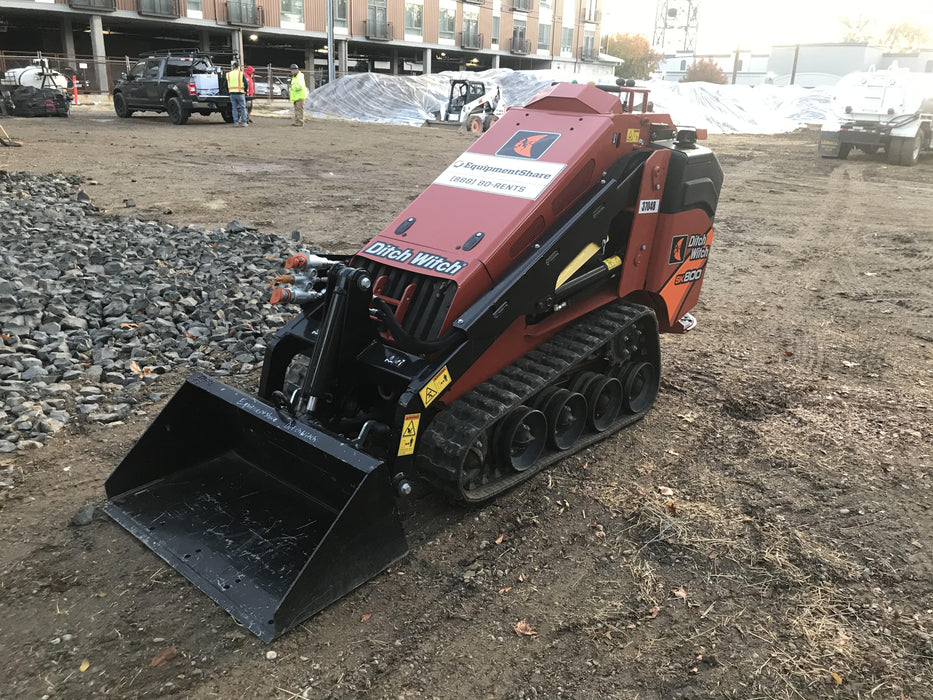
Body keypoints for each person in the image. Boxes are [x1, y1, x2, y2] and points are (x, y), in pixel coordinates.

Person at [226, 60, 248, 127]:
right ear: (238, 67)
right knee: (242, 108)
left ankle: (236, 122)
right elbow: (246, 83)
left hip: (232, 93)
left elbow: (225, 84)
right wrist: (245, 90)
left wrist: (229, 90)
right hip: (240, 93)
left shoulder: (228, 74)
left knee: (234, 108)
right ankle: (244, 122)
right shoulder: (241, 74)